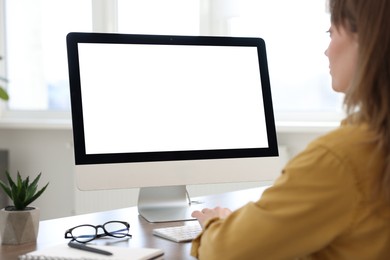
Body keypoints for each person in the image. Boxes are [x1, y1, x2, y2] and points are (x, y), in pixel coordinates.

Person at [190, 0, 390, 259]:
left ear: (366, 39)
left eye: (331, 33)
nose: (327, 52)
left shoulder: (340, 157)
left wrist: (216, 224)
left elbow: (225, 251)